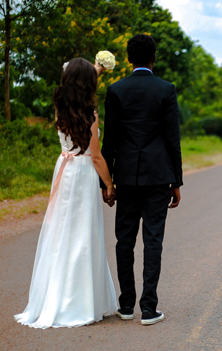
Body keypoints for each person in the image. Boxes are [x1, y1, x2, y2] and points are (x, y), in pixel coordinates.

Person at [15, 58, 118, 329]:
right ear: (89, 83)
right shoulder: (91, 114)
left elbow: (76, 79)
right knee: (83, 233)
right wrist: (109, 184)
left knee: (63, 231)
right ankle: (78, 301)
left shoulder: (61, 107)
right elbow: (96, 156)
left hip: (65, 167)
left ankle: (55, 296)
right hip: (83, 172)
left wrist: (96, 67)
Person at [101, 34, 183, 326]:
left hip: (125, 178)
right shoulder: (166, 90)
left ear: (128, 58)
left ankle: (125, 306)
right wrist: (176, 181)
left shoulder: (116, 90)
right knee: (153, 240)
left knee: (124, 241)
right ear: (154, 58)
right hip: (159, 177)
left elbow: (108, 141)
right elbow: (173, 139)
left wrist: (106, 183)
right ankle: (149, 308)